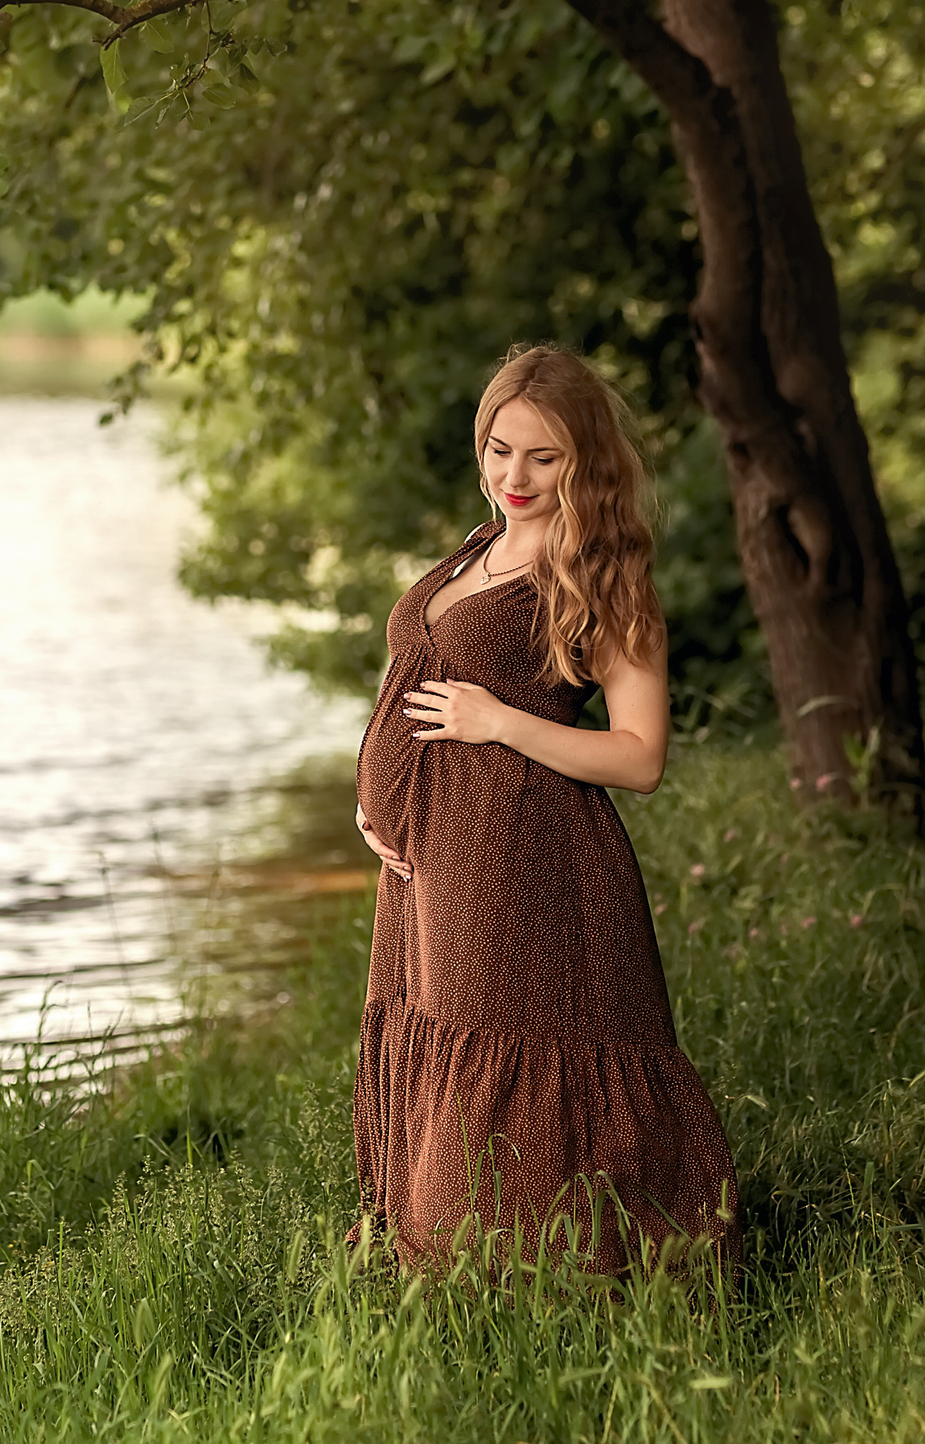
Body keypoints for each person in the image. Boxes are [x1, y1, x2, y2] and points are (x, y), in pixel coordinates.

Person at [351, 344, 738, 1276]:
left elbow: (640, 757)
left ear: (586, 460)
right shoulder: (478, 546)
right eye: (497, 449)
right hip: (431, 866)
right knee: (437, 1032)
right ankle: (447, 1266)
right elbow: (414, 668)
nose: (512, 477)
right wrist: (376, 797)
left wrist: (500, 722)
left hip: (525, 861)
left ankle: (541, 1277)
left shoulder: (602, 578)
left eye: (541, 457)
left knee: (510, 1057)